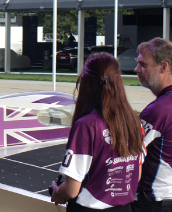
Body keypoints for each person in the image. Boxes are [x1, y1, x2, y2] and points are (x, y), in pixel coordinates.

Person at [50, 53, 144, 212]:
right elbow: (137, 175)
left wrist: (58, 191)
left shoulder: (86, 125)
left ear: (87, 84)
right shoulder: (134, 121)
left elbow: (72, 190)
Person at [132, 37, 172, 212]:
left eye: (143, 64)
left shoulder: (161, 109)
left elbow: (126, 154)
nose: (137, 69)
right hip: (169, 198)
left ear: (164, 66)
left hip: (151, 202)